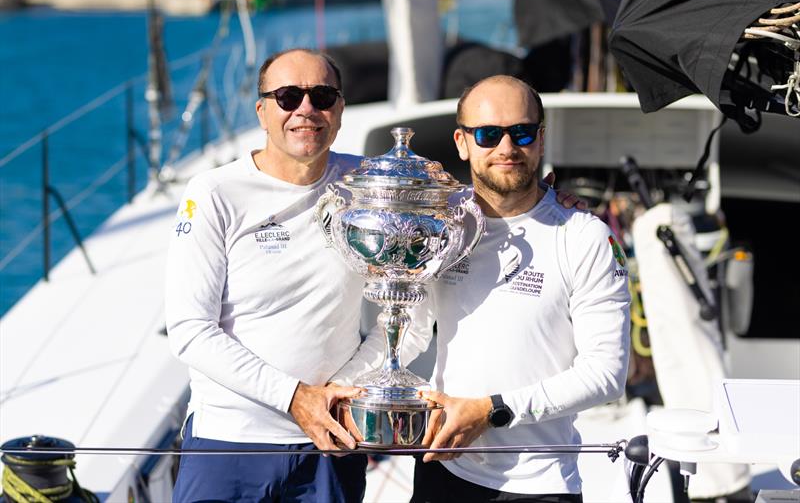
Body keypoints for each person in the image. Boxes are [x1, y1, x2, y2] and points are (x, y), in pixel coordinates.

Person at [164, 48, 434, 502]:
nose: (306, 109)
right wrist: (296, 398)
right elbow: (190, 330)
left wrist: (338, 393)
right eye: (288, 97)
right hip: (230, 443)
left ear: (341, 110)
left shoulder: (369, 186)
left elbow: (416, 314)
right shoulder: (213, 194)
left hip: (332, 443)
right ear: (262, 112)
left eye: (323, 96)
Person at [411, 75, 631, 503]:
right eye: (489, 134)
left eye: (522, 132)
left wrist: (490, 410)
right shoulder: (441, 228)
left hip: (540, 486)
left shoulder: (583, 236)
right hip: (444, 469)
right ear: (462, 142)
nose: (507, 148)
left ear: (541, 139)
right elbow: (411, 325)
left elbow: (606, 375)